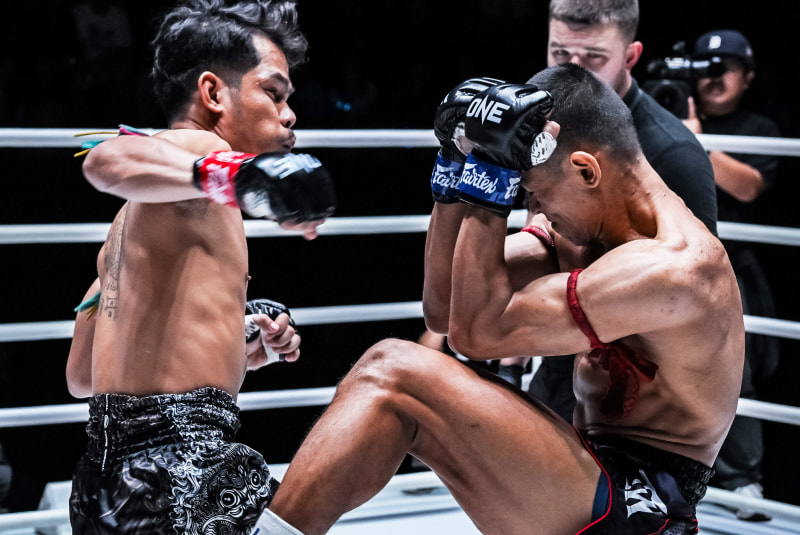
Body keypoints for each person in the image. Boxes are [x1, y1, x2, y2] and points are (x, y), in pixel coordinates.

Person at [253, 64, 744, 535]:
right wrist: (455, 168)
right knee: (386, 371)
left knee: (395, 373)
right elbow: (444, 307)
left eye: (533, 194)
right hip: (591, 471)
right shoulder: (582, 234)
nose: (536, 210)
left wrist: (492, 178)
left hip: (647, 510)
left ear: (586, 171)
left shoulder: (676, 269)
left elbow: (476, 336)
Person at [65, 1, 336, 533]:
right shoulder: (200, 148)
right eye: (273, 93)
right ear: (212, 93)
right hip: (182, 472)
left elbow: (81, 378)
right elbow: (103, 160)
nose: (289, 114)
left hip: (103, 483)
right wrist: (233, 174)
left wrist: (237, 339)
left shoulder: (129, 224)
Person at [497, 0, 720, 419]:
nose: (573, 69)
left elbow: (698, 288)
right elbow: (540, 223)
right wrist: (512, 363)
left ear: (631, 57)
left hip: (636, 388)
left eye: (594, 57)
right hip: (560, 354)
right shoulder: (546, 128)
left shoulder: (673, 153)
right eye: (560, 53)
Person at [683, 28, 781, 521]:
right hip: (672, 260)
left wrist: (694, 141)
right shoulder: (664, 116)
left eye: (727, 68)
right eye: (706, 67)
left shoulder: (759, 127)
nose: (715, 77)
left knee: (735, 372)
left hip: (731, 267)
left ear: (748, 76)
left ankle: (742, 480)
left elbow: (748, 186)